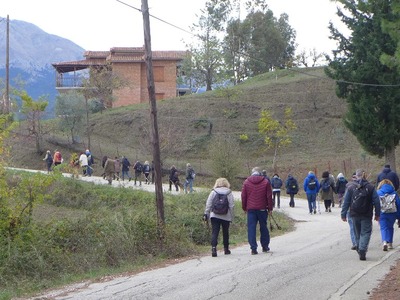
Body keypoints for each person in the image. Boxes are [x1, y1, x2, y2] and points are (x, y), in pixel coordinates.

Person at [341, 169, 381, 261]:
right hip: (367, 214)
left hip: (354, 214)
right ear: (365, 176)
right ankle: (362, 249)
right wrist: (377, 214)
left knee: (357, 233)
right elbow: (377, 202)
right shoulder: (370, 187)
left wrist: (343, 214)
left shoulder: (351, 187)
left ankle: (359, 248)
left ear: (356, 176)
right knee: (366, 232)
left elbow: (346, 202)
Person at [241, 167, 273, 255]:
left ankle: (253, 248)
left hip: (251, 209)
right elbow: (269, 196)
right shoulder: (265, 182)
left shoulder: (246, 182)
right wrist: (270, 208)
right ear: (260, 173)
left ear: (252, 173)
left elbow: (243, 196)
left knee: (251, 228)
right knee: (263, 227)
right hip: (262, 209)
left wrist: (244, 208)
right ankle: (265, 246)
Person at [203, 178, 235, 257]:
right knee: (225, 232)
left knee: (215, 232)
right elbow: (231, 206)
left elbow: (209, 204)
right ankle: (226, 249)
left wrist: (206, 213)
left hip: (214, 215)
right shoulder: (229, 192)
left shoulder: (213, 192)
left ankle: (214, 249)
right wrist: (232, 217)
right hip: (226, 215)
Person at [376, 179, 400, 251]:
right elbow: (398, 204)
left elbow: (376, 204)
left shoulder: (378, 192)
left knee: (383, 228)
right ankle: (390, 243)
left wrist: (376, 214)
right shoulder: (394, 193)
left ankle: (384, 242)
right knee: (390, 227)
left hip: (382, 213)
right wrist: (399, 216)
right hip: (392, 213)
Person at [345, 173, 358, 250]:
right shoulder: (365, 186)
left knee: (352, 227)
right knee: (360, 227)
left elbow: (346, 201)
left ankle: (355, 243)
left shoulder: (349, 187)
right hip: (361, 210)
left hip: (350, 210)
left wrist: (343, 213)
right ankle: (360, 242)